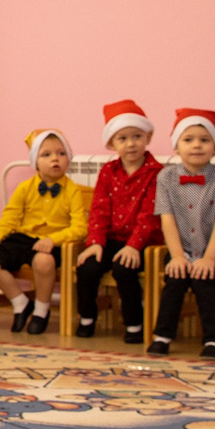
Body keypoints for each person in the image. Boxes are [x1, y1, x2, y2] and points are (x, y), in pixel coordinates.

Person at [153, 108, 215, 358]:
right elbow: (167, 220)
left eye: (204, 139)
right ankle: (162, 335)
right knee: (175, 278)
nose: (197, 145)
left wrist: (209, 259)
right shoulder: (166, 177)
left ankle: (213, 340)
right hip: (182, 249)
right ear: (176, 146)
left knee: (203, 279)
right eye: (188, 139)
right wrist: (177, 256)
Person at [0, 129, 86, 336]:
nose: (55, 159)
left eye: (61, 153)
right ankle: (20, 302)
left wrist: (53, 239)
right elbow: (9, 218)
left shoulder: (73, 190)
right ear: (35, 162)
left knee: (43, 262)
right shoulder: (24, 188)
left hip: (54, 241)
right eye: (46, 155)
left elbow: (80, 228)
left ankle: (41, 310)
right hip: (24, 238)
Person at [77, 100, 162, 342]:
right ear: (112, 143)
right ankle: (86, 317)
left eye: (137, 136)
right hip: (112, 239)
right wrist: (95, 242)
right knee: (88, 266)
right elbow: (99, 210)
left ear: (147, 138)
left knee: (124, 269)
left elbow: (151, 215)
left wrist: (134, 246)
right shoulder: (108, 171)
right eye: (122, 138)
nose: (131, 143)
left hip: (145, 242)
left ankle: (134, 323)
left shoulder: (157, 173)